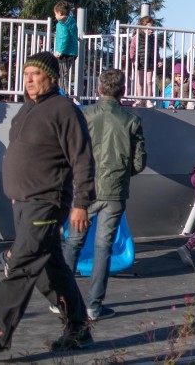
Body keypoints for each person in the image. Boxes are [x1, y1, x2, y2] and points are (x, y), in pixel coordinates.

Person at [0, 51, 96, 360]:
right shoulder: (28, 109)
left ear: (52, 77)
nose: (29, 79)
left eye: (36, 74)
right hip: (23, 202)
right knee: (51, 271)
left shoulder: (64, 110)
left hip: (46, 202)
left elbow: (83, 159)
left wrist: (81, 202)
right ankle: (78, 328)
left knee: (21, 265)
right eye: (26, 74)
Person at [64, 68, 147, 320]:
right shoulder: (131, 120)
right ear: (123, 91)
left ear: (98, 89)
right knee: (104, 248)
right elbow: (139, 162)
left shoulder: (82, 115)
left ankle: (62, 300)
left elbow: (69, 151)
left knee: (73, 242)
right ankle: (94, 305)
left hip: (84, 189)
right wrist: (121, 174)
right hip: (114, 190)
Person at [129, 16, 159, 107]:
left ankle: (148, 100)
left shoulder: (153, 39)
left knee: (149, 82)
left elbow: (156, 51)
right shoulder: (137, 37)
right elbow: (132, 49)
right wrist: (133, 59)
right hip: (139, 62)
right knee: (140, 82)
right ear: (142, 27)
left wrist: (158, 60)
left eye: (152, 28)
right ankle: (139, 99)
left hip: (149, 62)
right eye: (149, 28)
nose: (151, 30)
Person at [53, 1, 78, 94]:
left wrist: (59, 51)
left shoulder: (61, 24)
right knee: (64, 73)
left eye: (55, 14)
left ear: (60, 13)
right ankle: (63, 93)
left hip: (64, 53)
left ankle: (63, 94)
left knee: (61, 74)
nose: (55, 16)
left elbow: (63, 38)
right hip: (73, 52)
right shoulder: (72, 22)